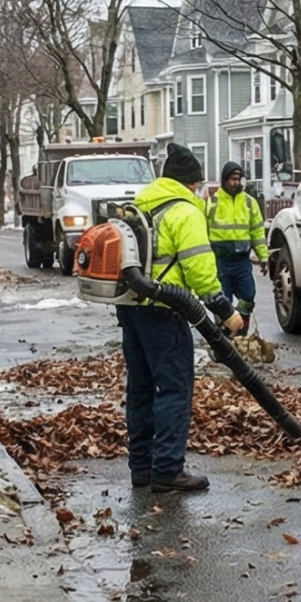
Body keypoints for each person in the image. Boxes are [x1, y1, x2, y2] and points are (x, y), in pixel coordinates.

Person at [119, 144, 245, 494]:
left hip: (131, 307)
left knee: (140, 389)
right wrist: (223, 309)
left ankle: (142, 469)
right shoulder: (184, 211)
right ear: (192, 183)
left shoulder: (141, 202)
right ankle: (168, 470)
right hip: (165, 311)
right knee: (174, 390)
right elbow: (200, 269)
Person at [204, 162, 270, 320]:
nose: (236, 183)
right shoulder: (212, 203)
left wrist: (263, 257)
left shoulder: (249, 202)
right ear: (224, 180)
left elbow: (257, 232)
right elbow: (202, 233)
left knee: (248, 296)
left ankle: (241, 329)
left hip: (242, 261)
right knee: (221, 301)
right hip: (220, 261)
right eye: (233, 179)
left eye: (239, 179)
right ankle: (223, 335)